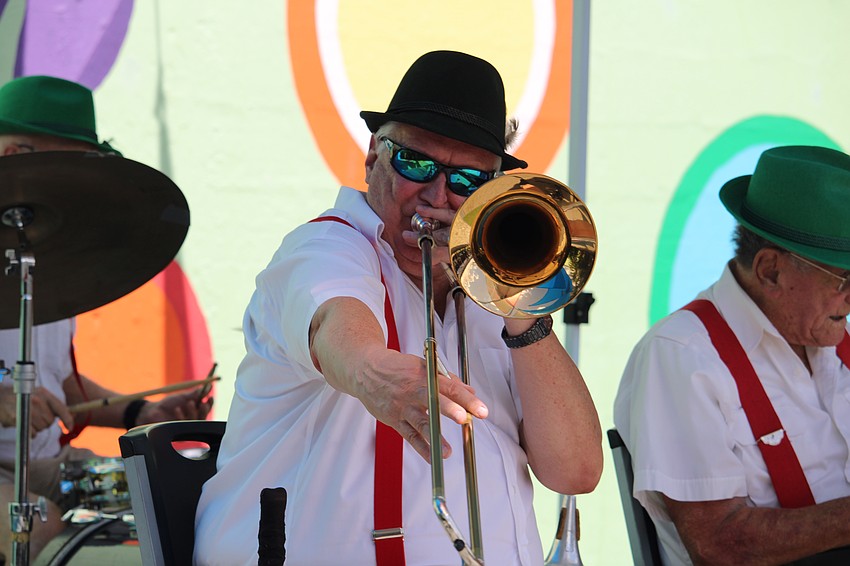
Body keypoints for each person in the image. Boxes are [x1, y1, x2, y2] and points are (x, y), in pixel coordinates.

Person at [194, 50, 603, 565]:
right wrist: (373, 371)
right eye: (416, 163)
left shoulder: (486, 292)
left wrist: (521, 301)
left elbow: (576, 471)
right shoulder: (326, 249)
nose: (437, 196)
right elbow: (336, 323)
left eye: (468, 181)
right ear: (373, 154)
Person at [0, 75, 214, 561]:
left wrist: (142, 414)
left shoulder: (47, 263)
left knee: (194, 495)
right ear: (14, 159)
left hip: (46, 462)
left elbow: (63, 389)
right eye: (65, 170)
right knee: (36, 524)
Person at [614, 145, 850, 565]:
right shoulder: (683, 356)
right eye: (843, 278)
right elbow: (720, 544)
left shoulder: (828, 330)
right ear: (770, 270)